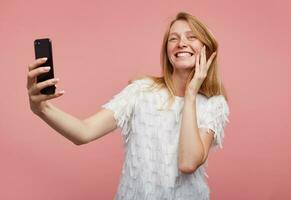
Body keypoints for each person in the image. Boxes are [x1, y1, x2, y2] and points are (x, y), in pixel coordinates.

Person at [27, 11, 229, 200]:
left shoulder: (213, 104)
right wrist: (42, 109)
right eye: (173, 38)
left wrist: (191, 94)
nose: (181, 43)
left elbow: (188, 163)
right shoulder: (141, 91)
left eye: (191, 37)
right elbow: (84, 132)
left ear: (206, 49)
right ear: (167, 50)